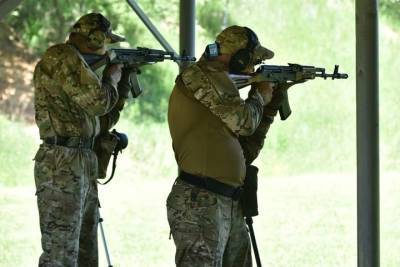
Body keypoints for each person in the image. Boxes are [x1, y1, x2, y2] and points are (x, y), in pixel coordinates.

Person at [166, 25, 293, 266]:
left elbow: (245, 151)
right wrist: (259, 96)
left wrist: (271, 105)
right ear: (239, 56)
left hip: (226, 200)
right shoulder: (200, 77)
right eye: (251, 61)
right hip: (201, 201)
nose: (252, 68)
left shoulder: (222, 90)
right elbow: (244, 123)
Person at [33, 13, 129, 266]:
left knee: (86, 250)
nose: (108, 48)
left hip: (81, 158)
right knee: (61, 252)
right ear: (96, 40)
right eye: (105, 42)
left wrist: (122, 87)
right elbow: (99, 103)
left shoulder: (78, 68)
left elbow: (102, 119)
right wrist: (112, 77)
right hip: (62, 160)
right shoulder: (62, 56)